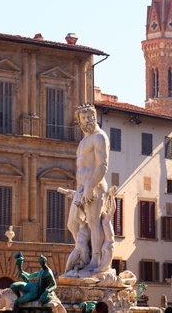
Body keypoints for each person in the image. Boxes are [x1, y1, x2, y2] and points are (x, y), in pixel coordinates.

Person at [67, 105, 110, 272]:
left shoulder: (99, 137)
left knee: (93, 222)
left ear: (95, 116)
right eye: (83, 118)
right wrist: (78, 189)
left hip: (95, 186)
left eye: (89, 116)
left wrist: (90, 186)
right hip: (81, 189)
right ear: (79, 121)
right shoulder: (83, 141)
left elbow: (103, 166)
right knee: (72, 224)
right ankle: (84, 254)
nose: (87, 120)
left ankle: (96, 260)